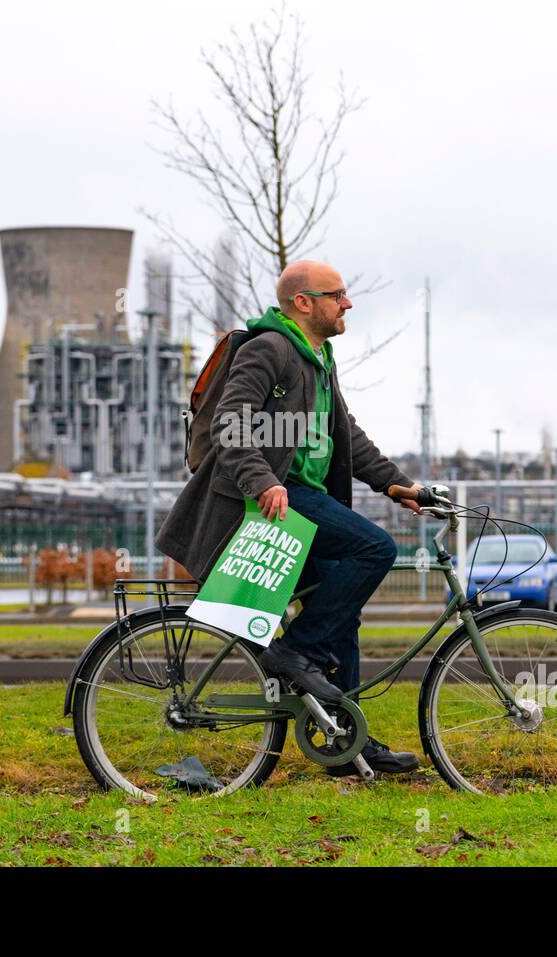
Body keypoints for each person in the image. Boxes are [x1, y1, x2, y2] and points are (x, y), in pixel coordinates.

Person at [155, 260, 423, 776]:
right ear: (304, 303)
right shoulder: (270, 348)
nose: (347, 304)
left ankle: (344, 740)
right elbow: (232, 422)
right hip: (275, 500)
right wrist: (264, 480)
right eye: (338, 295)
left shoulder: (319, 358)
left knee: (343, 614)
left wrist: (395, 484)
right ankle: (295, 651)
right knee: (376, 549)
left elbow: (347, 434)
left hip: (299, 497)